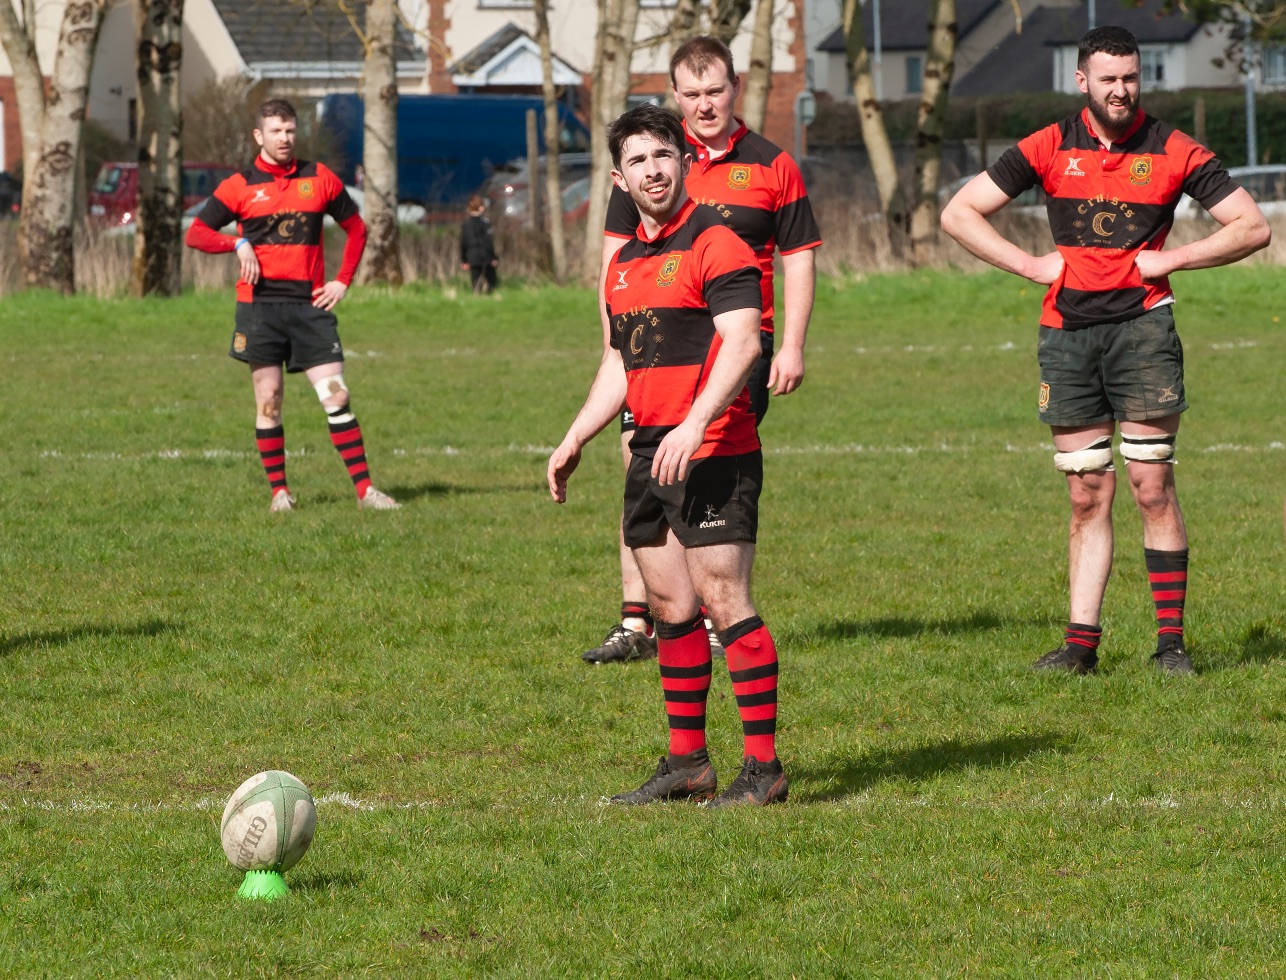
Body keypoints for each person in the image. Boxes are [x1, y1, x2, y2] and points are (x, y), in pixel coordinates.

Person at [941, 26, 1270, 674]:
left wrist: (1171, 259)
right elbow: (959, 213)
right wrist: (1031, 266)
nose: (1121, 90)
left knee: (1152, 485)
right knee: (1087, 492)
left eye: (1130, 77)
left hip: (1143, 332)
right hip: (1066, 336)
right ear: (1082, 81)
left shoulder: (1173, 148)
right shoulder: (1047, 145)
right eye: (1108, 78)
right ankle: (1080, 646)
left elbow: (1253, 226)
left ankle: (1170, 645)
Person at [548, 104, 787, 807]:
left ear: (682, 162)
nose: (652, 171)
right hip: (651, 448)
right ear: (619, 179)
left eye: (662, 156)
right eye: (638, 161)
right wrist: (575, 436)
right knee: (668, 604)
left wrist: (695, 422)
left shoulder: (718, 244)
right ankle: (688, 763)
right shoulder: (622, 265)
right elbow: (620, 364)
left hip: (714, 446)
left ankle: (763, 769)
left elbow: (744, 342)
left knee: (723, 600)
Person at [580, 34, 823, 664]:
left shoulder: (772, 164)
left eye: (715, 90)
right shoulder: (651, 159)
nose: (704, 104)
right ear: (676, 95)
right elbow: (615, 260)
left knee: (707, 465)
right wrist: (617, 348)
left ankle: (716, 611)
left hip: (738, 345)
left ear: (735, 88)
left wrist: (791, 345)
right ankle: (638, 619)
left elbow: (798, 258)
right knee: (637, 462)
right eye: (691, 94)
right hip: (655, 344)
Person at [186, 98, 399, 513]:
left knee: (337, 397)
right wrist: (237, 242)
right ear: (259, 135)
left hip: (310, 307)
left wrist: (342, 280)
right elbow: (196, 233)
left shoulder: (319, 177)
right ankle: (279, 494)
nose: (284, 138)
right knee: (269, 400)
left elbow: (357, 229)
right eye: (275, 131)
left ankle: (366, 492)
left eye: (289, 131)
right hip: (259, 309)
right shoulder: (239, 185)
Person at [460, 194, 498, 294]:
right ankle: (490, 296)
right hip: (486, 256)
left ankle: (477, 295)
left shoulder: (466, 224)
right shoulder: (485, 223)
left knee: (476, 280)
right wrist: (493, 257)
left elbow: (464, 243)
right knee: (492, 281)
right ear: (481, 207)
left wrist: (464, 260)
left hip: (472, 256)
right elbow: (489, 242)